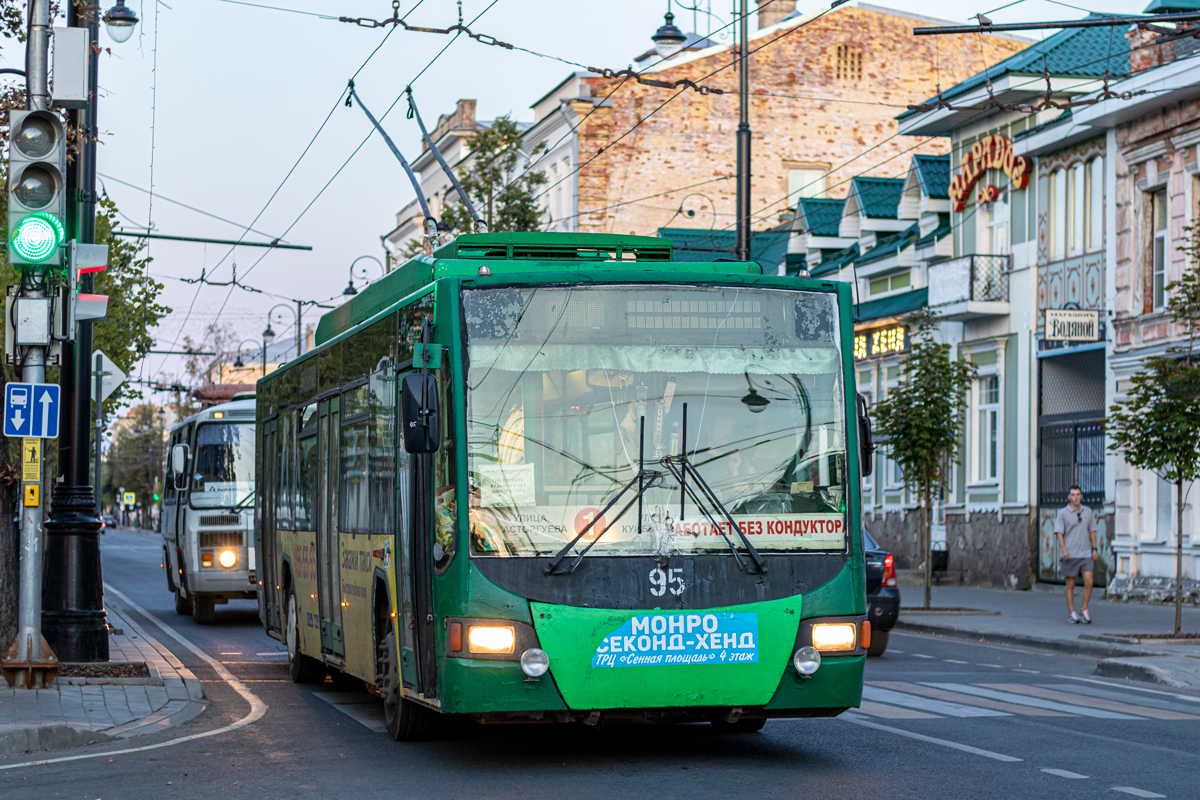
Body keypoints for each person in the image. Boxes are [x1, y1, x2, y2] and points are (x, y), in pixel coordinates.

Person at [1054, 485, 1098, 624]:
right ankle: (1072, 612)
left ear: (1081, 496)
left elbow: (1093, 530)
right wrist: (1063, 550)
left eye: (1078, 494)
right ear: (1069, 497)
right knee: (1070, 584)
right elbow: (1059, 533)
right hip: (1070, 553)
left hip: (1085, 553)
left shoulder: (1088, 511)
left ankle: (1084, 609)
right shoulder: (1063, 513)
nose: (1076, 497)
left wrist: (1094, 548)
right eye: (1073, 495)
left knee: (1089, 581)